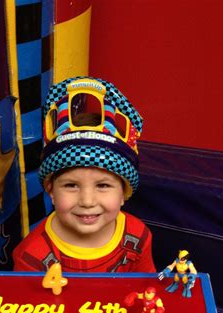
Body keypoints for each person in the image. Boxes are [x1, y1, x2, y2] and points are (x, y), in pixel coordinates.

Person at [13, 76, 155, 273]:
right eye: (71, 185)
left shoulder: (137, 236)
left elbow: (149, 291)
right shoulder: (32, 256)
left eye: (103, 185)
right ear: (51, 190)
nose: (87, 201)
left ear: (124, 193)